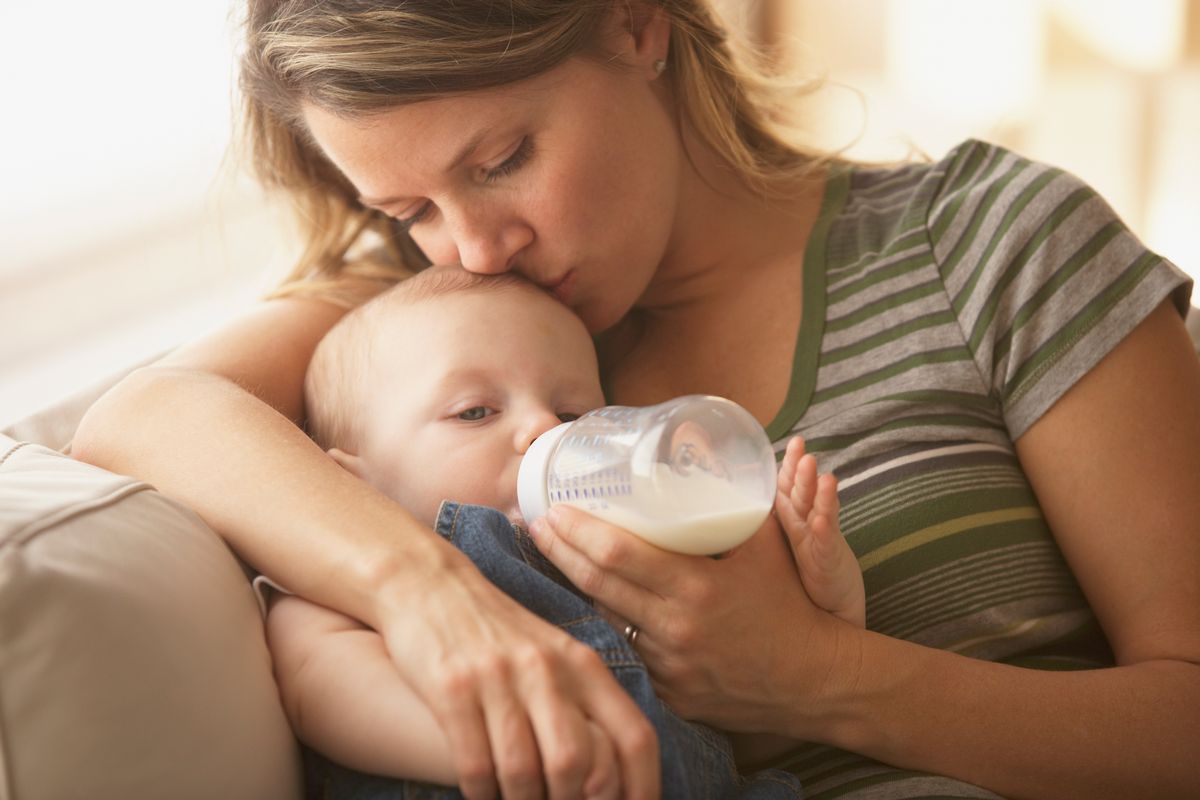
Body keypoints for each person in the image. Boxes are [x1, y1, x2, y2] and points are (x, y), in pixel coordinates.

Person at [72, 1, 1200, 798]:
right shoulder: (439, 328)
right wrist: (423, 594)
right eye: (409, 206)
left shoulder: (989, 245)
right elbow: (144, 414)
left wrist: (823, 680)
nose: (473, 243)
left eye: (503, 157)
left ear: (634, 23)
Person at [269, 264, 862, 797]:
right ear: (352, 485)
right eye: (475, 411)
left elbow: (749, 734)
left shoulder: (629, 573)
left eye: (574, 415)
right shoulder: (364, 569)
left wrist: (826, 608)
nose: (543, 429)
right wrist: (504, 750)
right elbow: (314, 684)